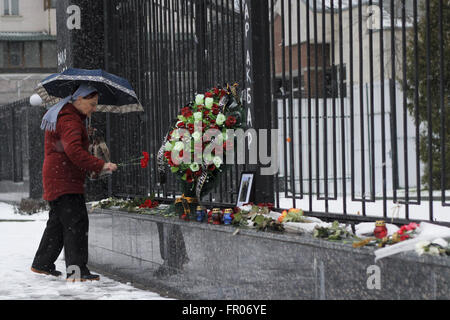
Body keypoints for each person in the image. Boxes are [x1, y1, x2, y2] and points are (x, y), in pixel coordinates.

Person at [31, 84, 118, 282]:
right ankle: (77, 272)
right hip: (64, 180)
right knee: (76, 224)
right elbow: (75, 152)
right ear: (78, 100)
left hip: (58, 177)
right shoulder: (69, 119)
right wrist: (101, 165)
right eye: (92, 104)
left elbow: (72, 146)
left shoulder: (68, 116)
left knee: (59, 223)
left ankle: (42, 264)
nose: (94, 109)